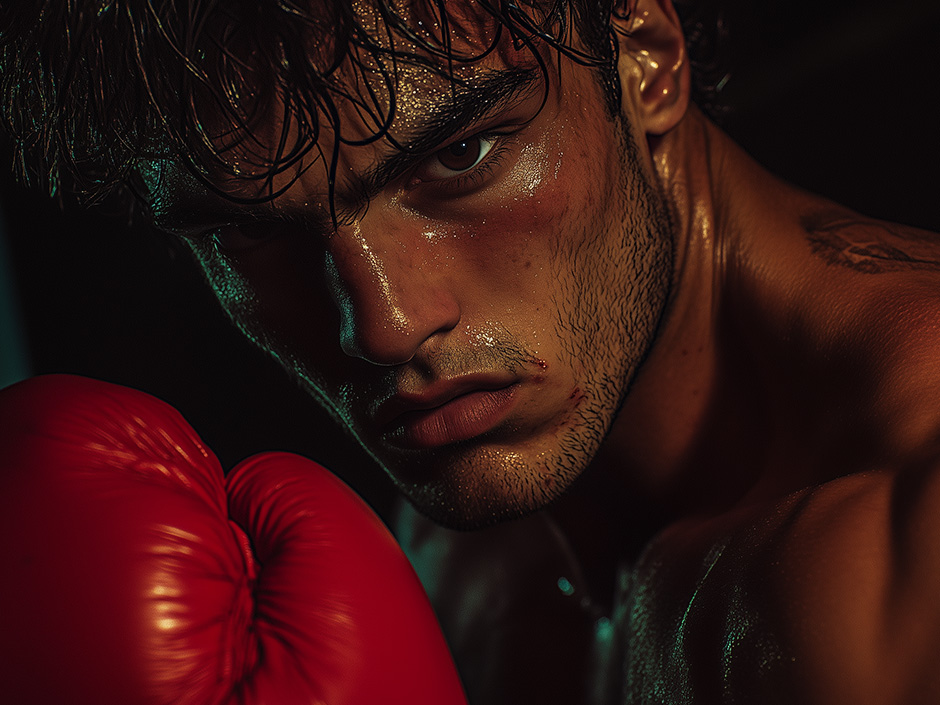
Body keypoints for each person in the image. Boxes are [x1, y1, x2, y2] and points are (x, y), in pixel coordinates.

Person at [3, 0, 940, 702]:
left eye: (459, 157)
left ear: (644, 58)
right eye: (250, 234)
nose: (382, 324)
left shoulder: (902, 555)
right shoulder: (461, 522)